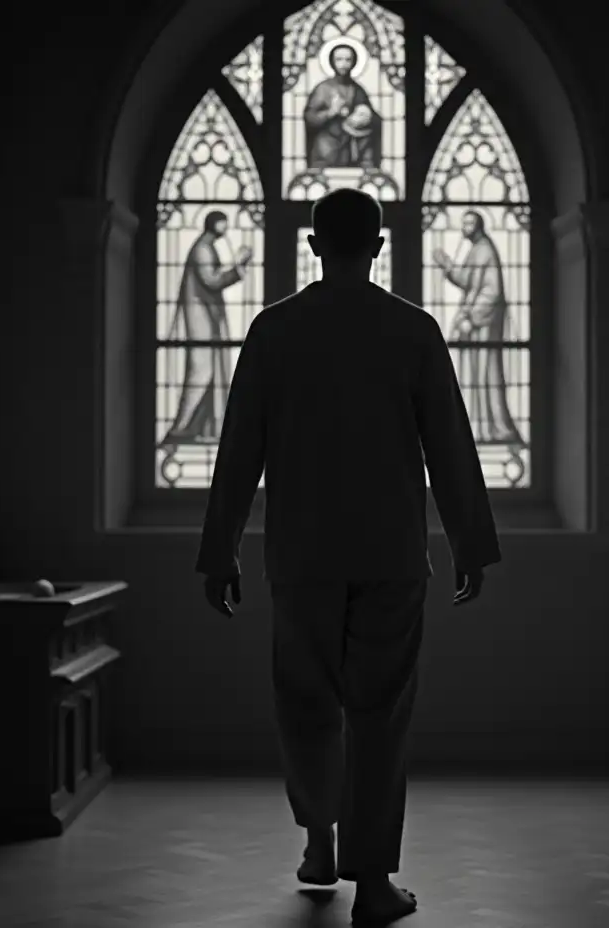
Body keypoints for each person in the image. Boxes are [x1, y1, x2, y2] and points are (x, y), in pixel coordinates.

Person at [196, 188, 499, 924]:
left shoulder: (274, 331)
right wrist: (470, 544)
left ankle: (319, 842)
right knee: (379, 713)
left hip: (300, 552)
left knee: (305, 704)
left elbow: (240, 450)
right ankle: (373, 886)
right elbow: (450, 447)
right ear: (379, 244)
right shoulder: (413, 330)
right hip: (390, 550)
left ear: (312, 243)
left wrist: (219, 551)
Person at [160, 210, 254, 446]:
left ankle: (205, 427)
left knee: (210, 369)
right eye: (224, 221)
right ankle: (181, 428)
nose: (227, 226)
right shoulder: (201, 249)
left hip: (208, 316)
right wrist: (237, 266)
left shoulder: (206, 247)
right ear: (215, 224)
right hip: (200, 318)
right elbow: (211, 280)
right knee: (201, 370)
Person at [432, 209, 523, 446]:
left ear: (479, 226)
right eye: (463, 223)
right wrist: (448, 265)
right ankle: (474, 426)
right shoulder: (477, 250)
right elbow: (467, 281)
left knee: (483, 374)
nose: (464, 228)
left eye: (469, 223)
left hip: (482, 326)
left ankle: (488, 429)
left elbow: (492, 292)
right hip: (474, 324)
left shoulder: (485, 250)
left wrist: (471, 318)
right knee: (472, 375)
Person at [303, 44, 382, 169]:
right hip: (325, 153)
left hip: (350, 152)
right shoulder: (322, 89)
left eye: (348, 60)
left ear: (354, 62)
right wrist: (331, 112)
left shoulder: (357, 89)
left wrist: (367, 117)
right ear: (332, 62)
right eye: (339, 59)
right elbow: (309, 118)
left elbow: (374, 120)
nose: (343, 64)